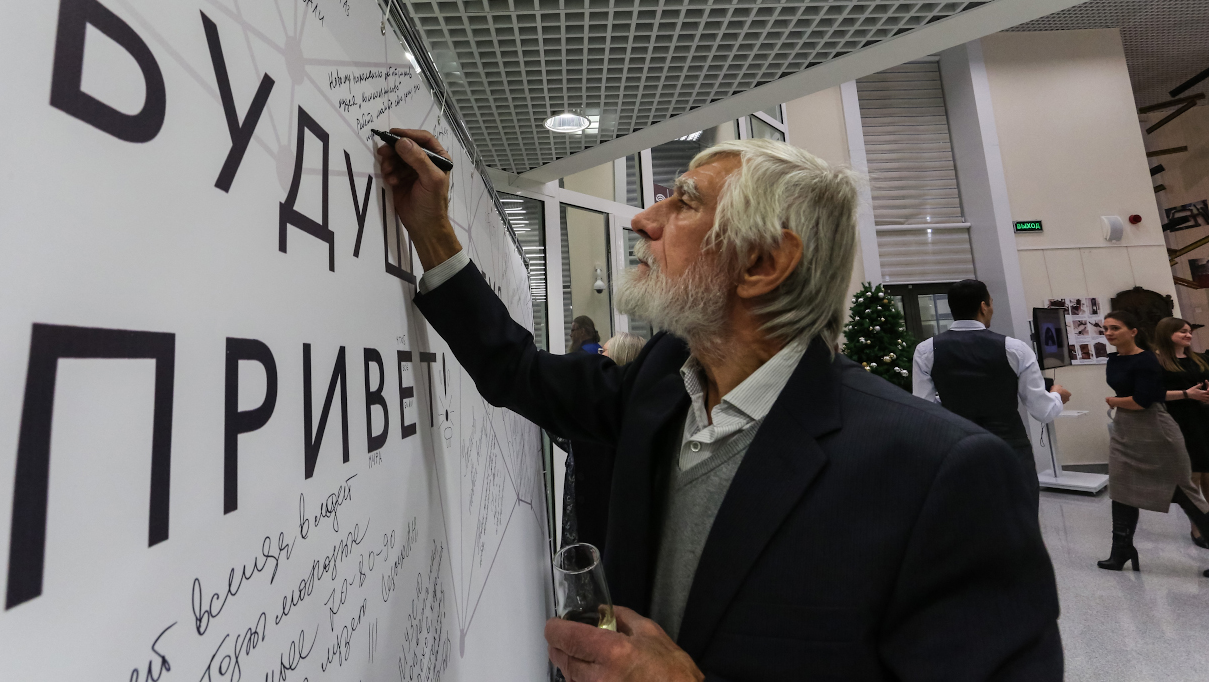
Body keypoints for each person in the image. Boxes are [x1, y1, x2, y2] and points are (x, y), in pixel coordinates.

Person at [379, 130, 1062, 681]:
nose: (643, 221)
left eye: (683, 203)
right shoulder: (660, 381)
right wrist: (434, 231)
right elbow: (519, 373)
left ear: (762, 263)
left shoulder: (939, 474)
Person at [912, 279, 1071, 484]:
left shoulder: (926, 350)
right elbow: (1042, 410)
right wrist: (1057, 394)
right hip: (1009, 450)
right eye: (992, 303)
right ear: (983, 306)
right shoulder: (1015, 349)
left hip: (957, 451)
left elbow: (925, 410)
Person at [1097, 311, 1209, 575]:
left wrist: (1114, 401)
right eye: (1106, 329)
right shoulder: (1114, 359)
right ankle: (1121, 550)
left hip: (1155, 429)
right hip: (1126, 430)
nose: (1109, 333)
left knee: (1183, 490)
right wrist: (1119, 403)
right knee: (1121, 488)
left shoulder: (1148, 359)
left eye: (1115, 328)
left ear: (1133, 331)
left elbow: (1142, 401)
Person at [561, 333, 646, 552]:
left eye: (603, 352)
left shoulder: (616, 422)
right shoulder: (634, 414)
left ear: (618, 359)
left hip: (602, 545)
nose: (598, 357)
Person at [1150, 317, 1209, 548]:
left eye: (1189, 331)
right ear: (1167, 334)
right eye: (1182, 331)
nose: (1188, 335)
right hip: (1180, 421)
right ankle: (1197, 526)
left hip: (1204, 419)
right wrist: (1187, 394)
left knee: (1208, 474)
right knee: (1192, 475)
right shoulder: (1157, 361)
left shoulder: (1199, 359)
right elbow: (1153, 393)